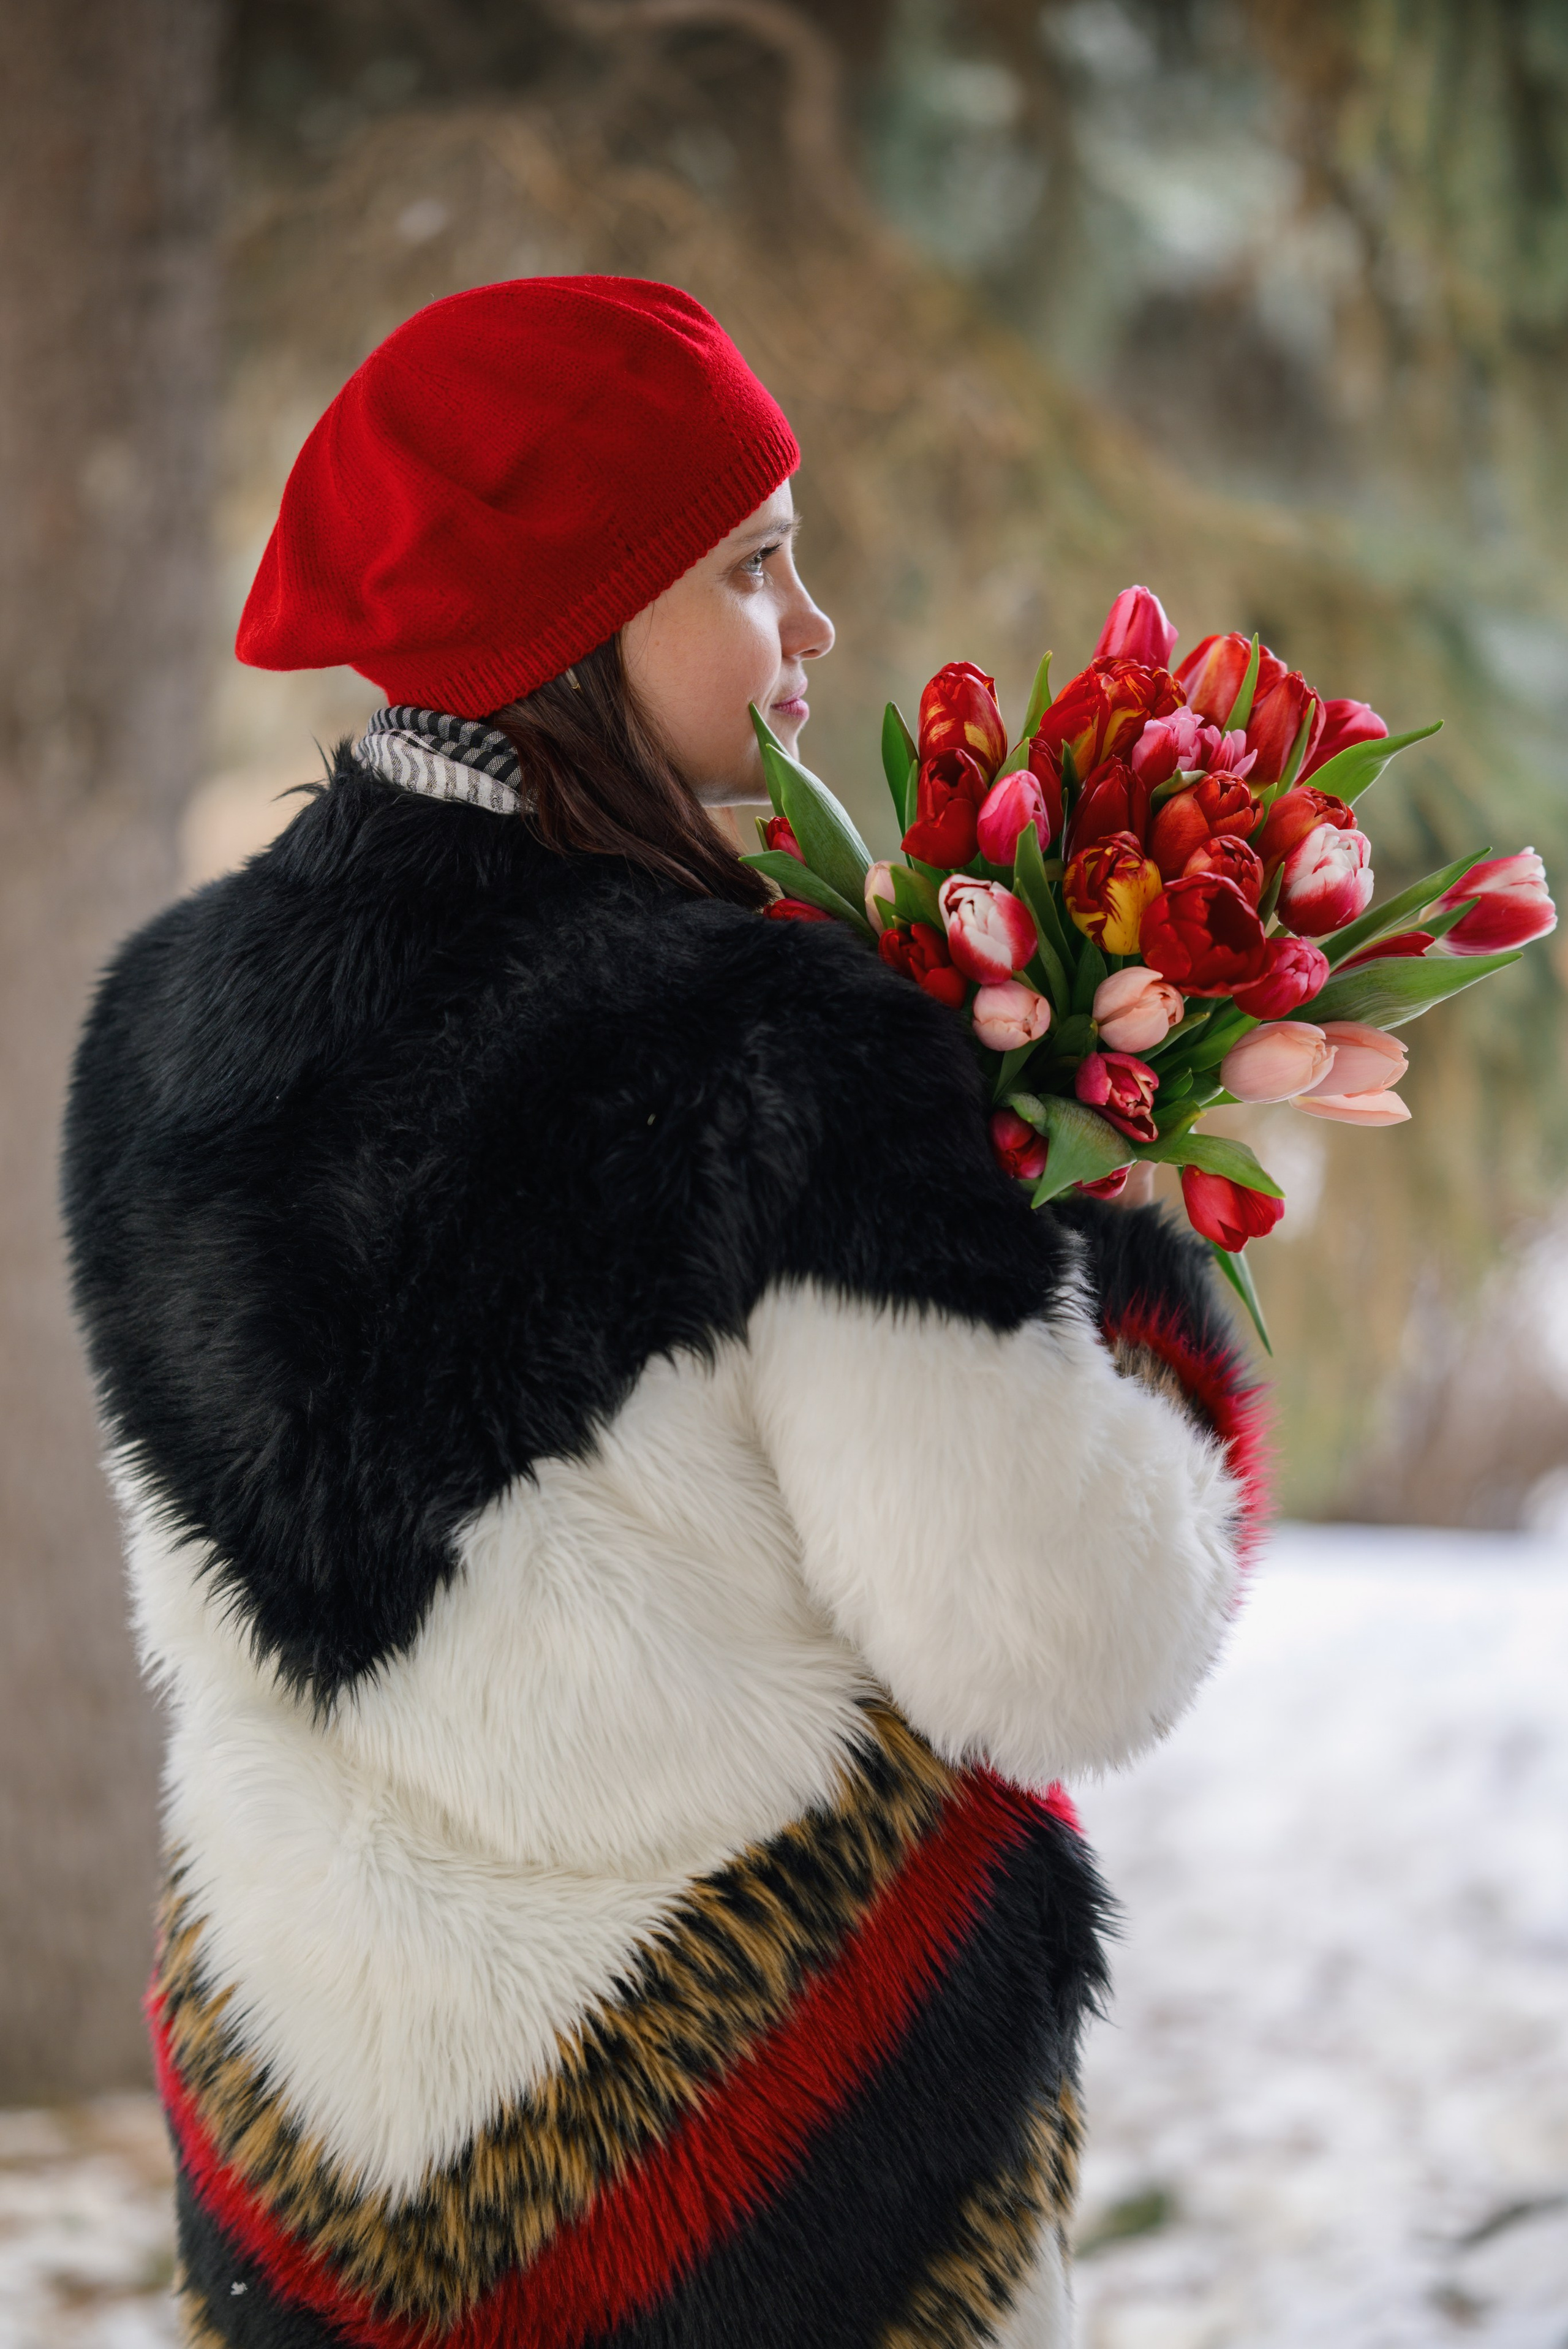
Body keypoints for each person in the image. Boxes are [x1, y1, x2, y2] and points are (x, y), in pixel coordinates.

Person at [63, 277, 1261, 2349]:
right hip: (766, 2174)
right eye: (753, 568)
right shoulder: (790, 1043)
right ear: (574, 619)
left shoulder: (160, 1026)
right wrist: (1140, 1290)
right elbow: (1067, 1647)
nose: (810, 631)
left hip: (313, 2167)